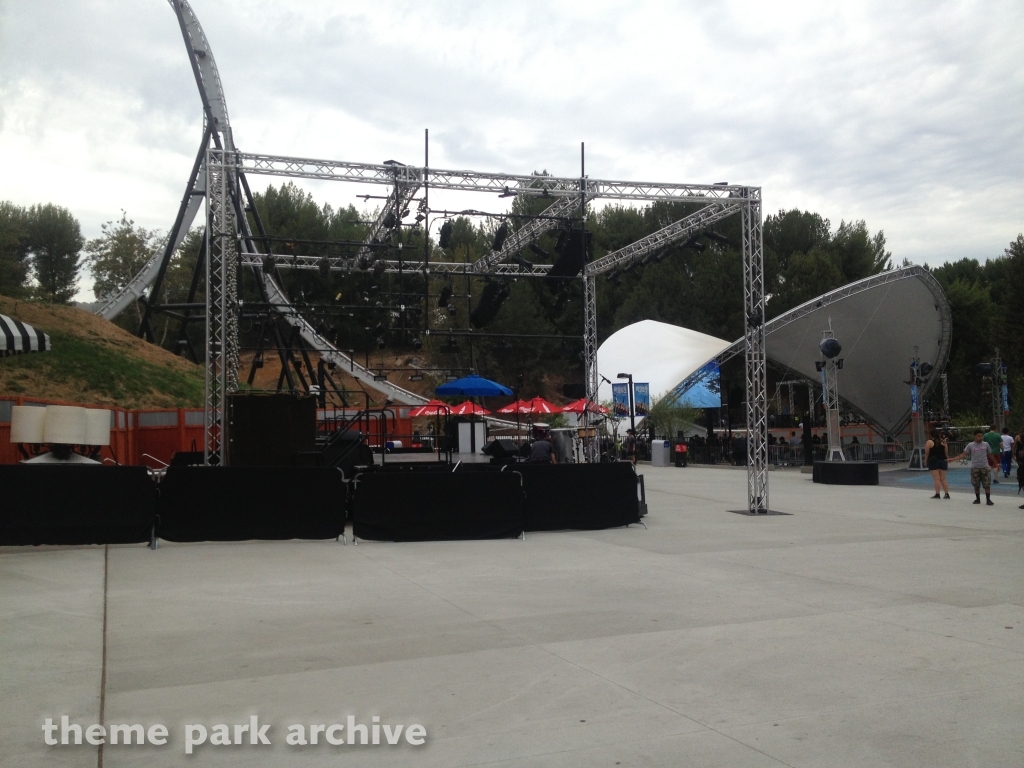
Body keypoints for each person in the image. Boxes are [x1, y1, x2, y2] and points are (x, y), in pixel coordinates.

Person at [950, 430, 994, 505]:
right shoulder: (970, 445)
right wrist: (953, 459)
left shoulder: (986, 444)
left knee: (987, 484)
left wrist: (996, 464)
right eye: (978, 436)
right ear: (975, 436)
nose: (980, 438)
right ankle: (977, 498)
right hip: (975, 467)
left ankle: (988, 499)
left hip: (984, 466)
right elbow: (963, 455)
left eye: (981, 436)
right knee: (976, 484)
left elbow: (990, 454)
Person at [924, 429, 950, 499]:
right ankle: (947, 494)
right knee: (943, 479)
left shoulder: (929, 442)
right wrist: (948, 459)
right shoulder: (943, 442)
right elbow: (946, 452)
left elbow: (927, 453)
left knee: (936, 479)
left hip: (934, 460)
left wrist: (925, 461)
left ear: (931, 435)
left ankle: (937, 494)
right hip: (943, 461)